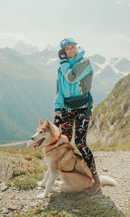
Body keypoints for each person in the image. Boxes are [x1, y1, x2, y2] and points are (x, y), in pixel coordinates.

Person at [54, 37, 101, 195]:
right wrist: (57, 111)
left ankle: (96, 179)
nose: (71, 50)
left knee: (80, 143)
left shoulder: (84, 63)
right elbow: (59, 91)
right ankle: (71, 177)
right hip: (67, 107)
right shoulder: (62, 68)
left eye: (73, 47)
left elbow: (71, 77)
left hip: (82, 107)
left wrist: (63, 62)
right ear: (63, 52)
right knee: (65, 143)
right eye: (68, 49)